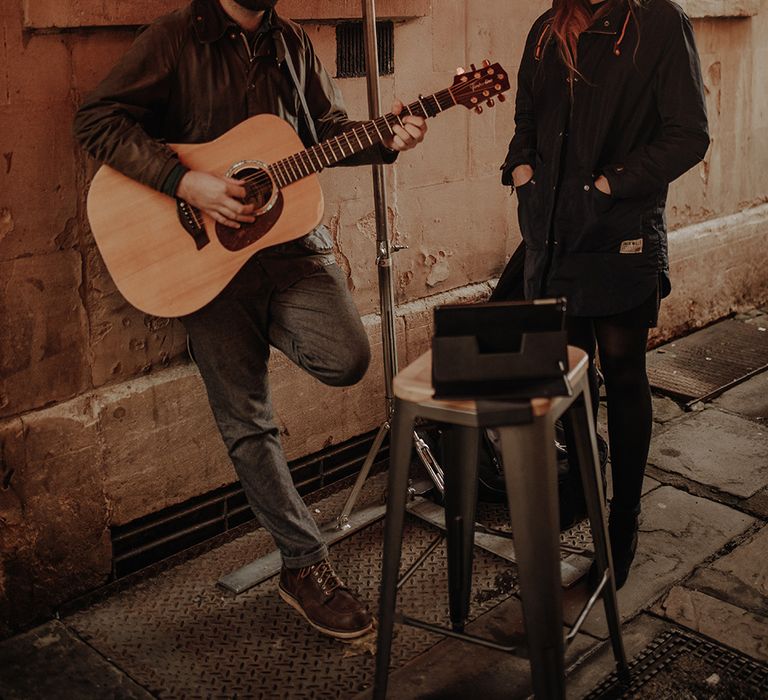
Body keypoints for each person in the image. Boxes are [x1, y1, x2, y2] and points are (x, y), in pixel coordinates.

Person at [74, 0, 427, 639]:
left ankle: (260, 327)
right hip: (201, 258)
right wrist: (185, 183)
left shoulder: (290, 42)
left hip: (287, 247)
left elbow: (326, 133)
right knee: (247, 418)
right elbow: (96, 119)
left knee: (347, 357)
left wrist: (386, 140)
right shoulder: (175, 37)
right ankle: (303, 562)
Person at [501, 0, 708, 588]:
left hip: (619, 235)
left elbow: (688, 134)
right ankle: (584, 490)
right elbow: (525, 122)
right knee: (571, 378)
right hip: (553, 238)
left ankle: (624, 520)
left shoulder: (660, 23)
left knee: (621, 372)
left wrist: (608, 184)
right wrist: (522, 171)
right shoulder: (545, 30)